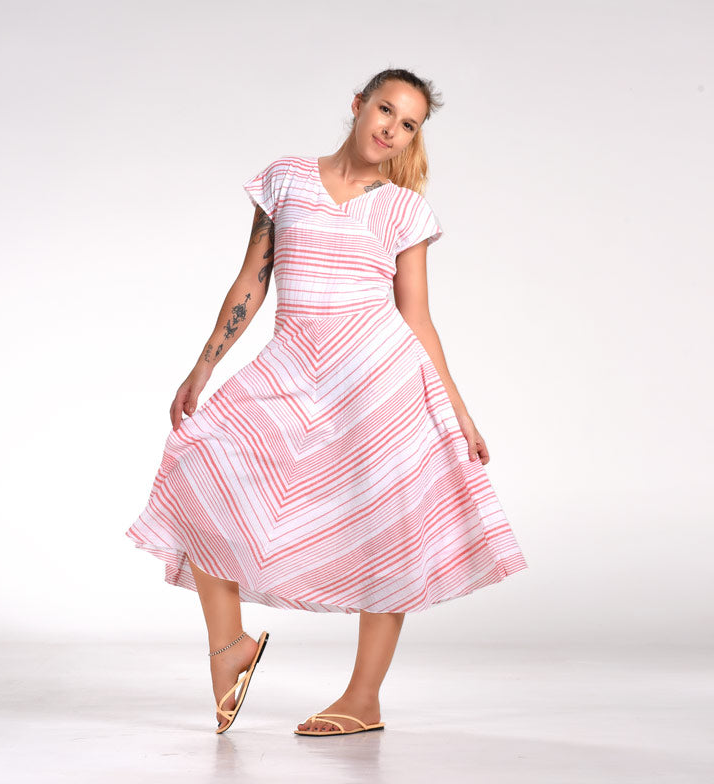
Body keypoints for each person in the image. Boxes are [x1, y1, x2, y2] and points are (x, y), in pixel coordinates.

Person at [125, 68, 528, 736]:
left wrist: (459, 411)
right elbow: (251, 281)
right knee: (202, 469)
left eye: (408, 125)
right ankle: (230, 647)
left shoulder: (404, 209)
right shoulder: (286, 178)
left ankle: (364, 699)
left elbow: (418, 319)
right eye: (385, 110)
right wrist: (204, 365)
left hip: (379, 377)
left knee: (386, 527)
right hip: (292, 363)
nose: (391, 130)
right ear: (358, 104)